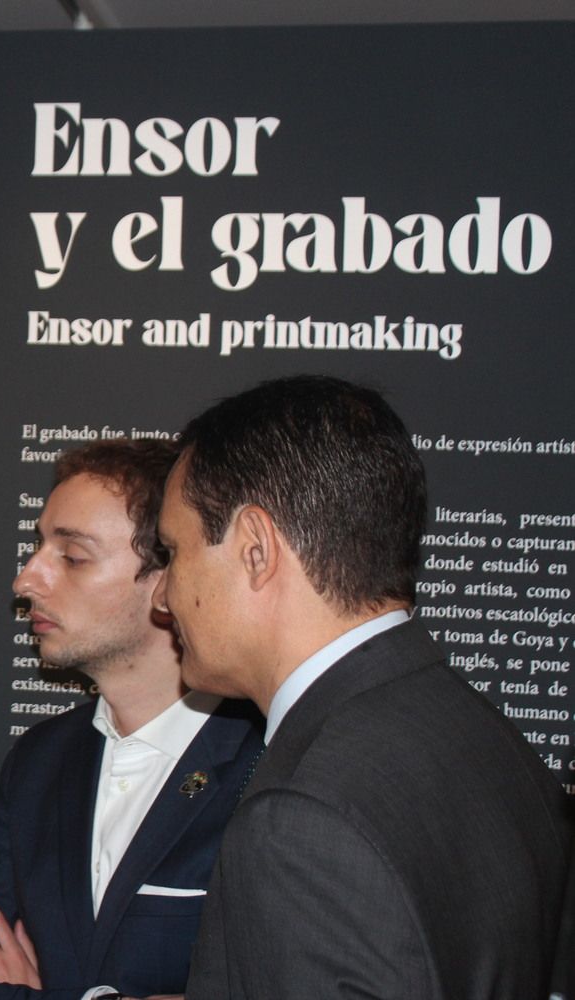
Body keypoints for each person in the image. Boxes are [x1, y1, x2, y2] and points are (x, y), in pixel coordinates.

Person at [155, 375, 571, 999]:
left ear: (254, 549)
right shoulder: (486, 733)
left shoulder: (304, 820)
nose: (162, 596)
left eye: (173, 551)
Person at [0, 440, 264, 1000]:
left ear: (170, 576)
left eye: (72, 557)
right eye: (38, 548)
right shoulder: (41, 761)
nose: (25, 581)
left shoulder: (267, 769)